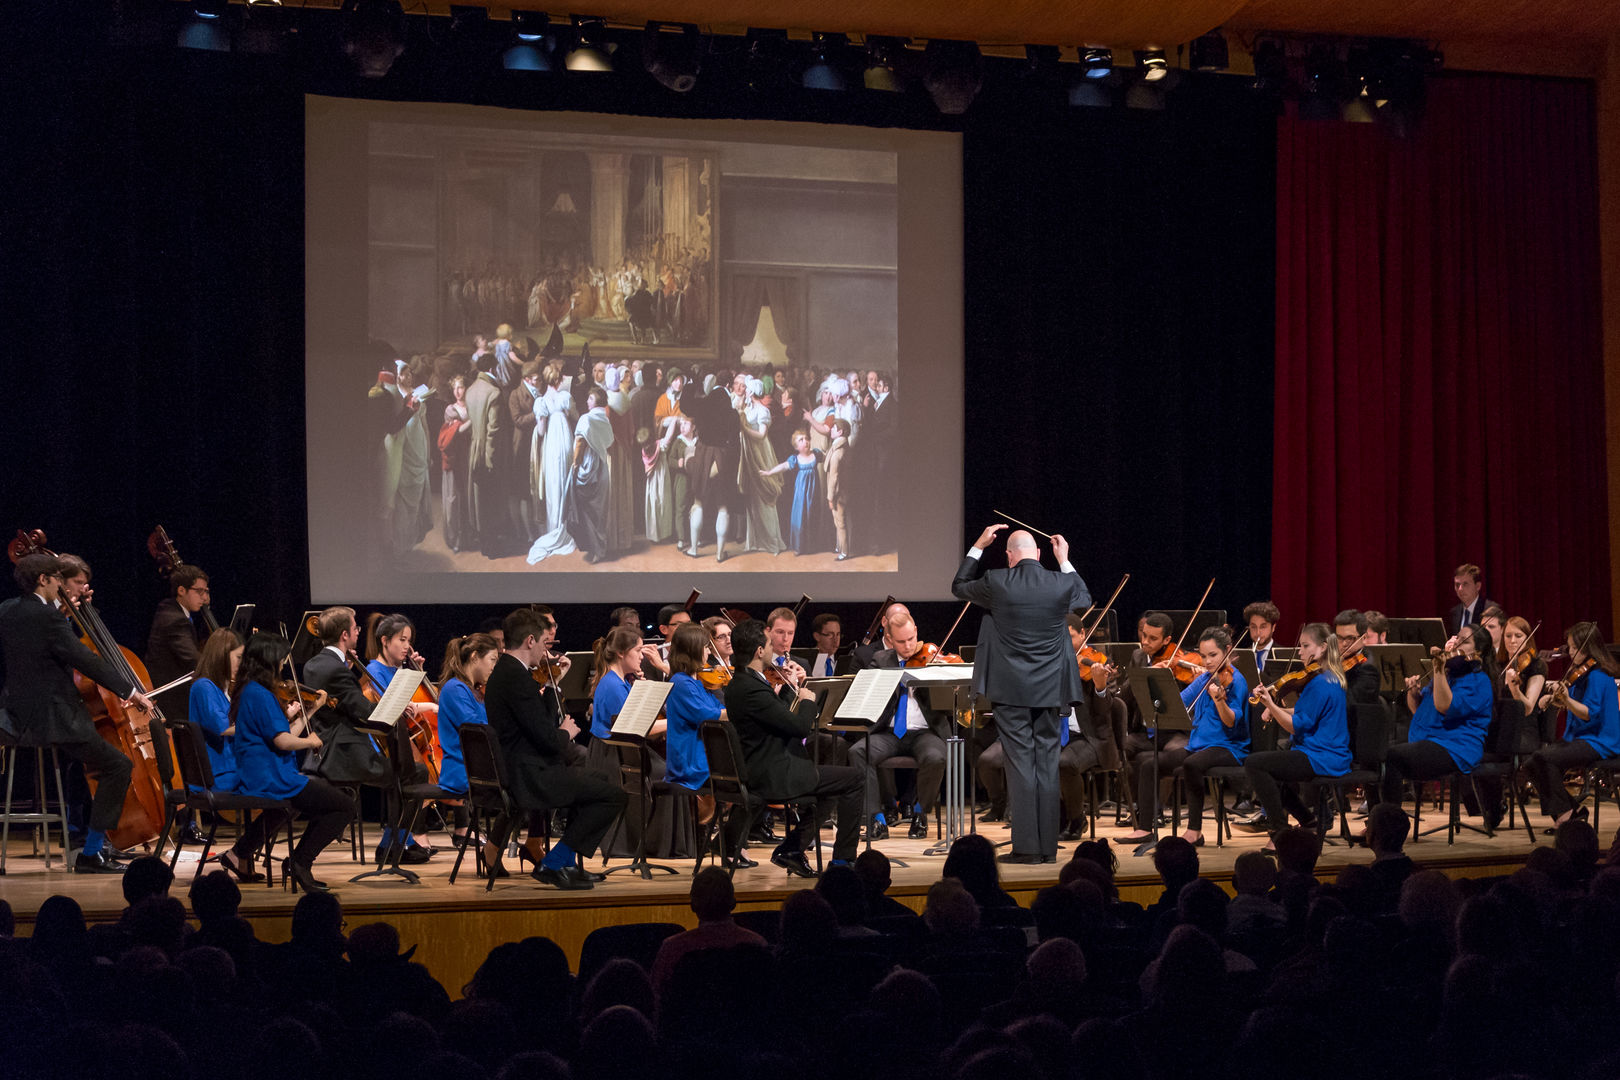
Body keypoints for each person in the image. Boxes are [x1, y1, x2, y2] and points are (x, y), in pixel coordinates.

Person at [0, 554, 152, 872]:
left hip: (15, 715)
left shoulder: (8, 610)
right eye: (57, 578)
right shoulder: (49, 618)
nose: (60, 583)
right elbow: (87, 660)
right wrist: (131, 691)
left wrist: (66, 611)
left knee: (93, 763)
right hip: (54, 719)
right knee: (118, 765)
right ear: (43, 580)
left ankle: (84, 835)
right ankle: (91, 852)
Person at [952, 523, 1091, 863]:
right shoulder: (1059, 581)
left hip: (1011, 690)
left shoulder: (997, 581)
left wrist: (977, 547)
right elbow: (1084, 599)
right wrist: (1066, 559)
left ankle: (1027, 848)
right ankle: (1046, 848)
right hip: (1050, 691)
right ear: (1040, 554)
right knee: (1046, 764)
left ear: (1009, 556)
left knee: (1019, 765)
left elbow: (958, 587)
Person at [483, 608, 627, 889]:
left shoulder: (509, 672)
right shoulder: (516, 678)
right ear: (529, 641)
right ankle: (556, 860)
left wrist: (551, 684)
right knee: (613, 796)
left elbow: (538, 722)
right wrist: (566, 733)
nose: (543, 652)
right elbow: (547, 738)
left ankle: (568, 862)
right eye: (542, 643)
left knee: (598, 780)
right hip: (529, 776)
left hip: (526, 767)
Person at [723, 619, 863, 876]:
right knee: (855, 778)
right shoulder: (752, 689)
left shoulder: (743, 682)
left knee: (834, 785)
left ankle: (793, 848)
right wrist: (808, 699)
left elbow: (778, 717)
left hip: (764, 766)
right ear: (759, 651)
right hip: (773, 774)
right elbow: (798, 727)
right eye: (768, 644)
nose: (772, 648)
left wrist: (791, 690)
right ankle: (843, 860)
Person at [224, 633, 355, 894]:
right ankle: (300, 862)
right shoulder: (260, 694)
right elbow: (283, 742)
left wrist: (311, 711)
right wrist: (311, 742)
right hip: (269, 776)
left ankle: (239, 852)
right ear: (270, 658)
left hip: (266, 771)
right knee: (344, 806)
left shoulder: (253, 690)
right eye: (282, 657)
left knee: (293, 808)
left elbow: (282, 735)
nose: (285, 663)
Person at [301, 606, 416, 864]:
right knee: (413, 774)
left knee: (403, 771)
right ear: (344, 635)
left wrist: (348, 666)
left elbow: (342, 703)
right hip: (343, 754)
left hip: (324, 750)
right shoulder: (336, 670)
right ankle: (392, 847)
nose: (358, 632)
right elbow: (363, 712)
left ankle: (394, 844)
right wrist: (395, 707)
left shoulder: (315, 664)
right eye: (355, 628)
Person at [1122, 626, 1250, 846]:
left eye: (1213, 655)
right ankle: (1145, 828)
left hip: (1228, 747)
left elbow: (1230, 721)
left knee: (1191, 764)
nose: (1207, 661)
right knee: (1149, 764)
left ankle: (1194, 831)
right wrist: (1159, 682)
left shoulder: (1236, 681)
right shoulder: (1205, 678)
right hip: (1199, 746)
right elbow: (1175, 703)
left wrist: (1219, 700)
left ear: (1227, 651)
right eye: (1203, 656)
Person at [1243, 624, 1351, 847]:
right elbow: (1306, 713)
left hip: (1322, 756)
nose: (1300, 651)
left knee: (1255, 764)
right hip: (1326, 753)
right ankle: (1308, 822)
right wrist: (1275, 708)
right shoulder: (1330, 677)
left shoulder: (1320, 683)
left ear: (1322, 648)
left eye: (1305, 646)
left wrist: (1271, 705)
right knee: (1274, 777)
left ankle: (1280, 832)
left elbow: (1295, 726)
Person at [850, 611, 953, 841]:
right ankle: (877, 819)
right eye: (900, 641)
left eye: (910, 639)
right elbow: (873, 698)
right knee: (858, 752)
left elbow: (946, 704)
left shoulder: (931, 660)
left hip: (925, 732)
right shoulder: (881, 660)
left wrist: (937, 674)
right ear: (890, 639)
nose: (907, 646)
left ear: (916, 631)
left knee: (936, 757)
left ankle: (920, 812)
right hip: (890, 733)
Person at [1378, 623, 1495, 810]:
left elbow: (1443, 706)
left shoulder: (1479, 681)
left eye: (1464, 641)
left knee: (1392, 756)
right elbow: (1418, 710)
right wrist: (1413, 693)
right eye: (1456, 637)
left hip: (1456, 748)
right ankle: (1380, 820)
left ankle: (1387, 821)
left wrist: (1438, 669)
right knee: (1380, 755)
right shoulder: (1448, 675)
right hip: (1431, 742)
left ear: (1478, 650)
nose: (1456, 642)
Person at [661, 624, 751, 866]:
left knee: (755, 780)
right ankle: (726, 843)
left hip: (704, 757)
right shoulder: (681, 682)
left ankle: (727, 843)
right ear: (692, 649)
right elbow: (706, 714)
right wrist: (740, 710)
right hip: (691, 762)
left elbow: (716, 707)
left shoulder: (695, 681)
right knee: (753, 784)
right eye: (704, 648)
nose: (708, 653)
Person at [145, 561, 214, 845]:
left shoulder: (177, 613)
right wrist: (222, 665)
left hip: (180, 698)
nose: (205, 597)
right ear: (182, 590)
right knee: (185, 761)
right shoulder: (173, 618)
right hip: (173, 702)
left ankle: (188, 822)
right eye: (199, 591)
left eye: (207, 591)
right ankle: (185, 823)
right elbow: (192, 660)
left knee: (188, 761)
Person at [1526, 623, 1620, 828]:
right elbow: (1574, 703)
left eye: (1574, 648)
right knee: (1532, 763)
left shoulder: (1598, 675)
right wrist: (1552, 699)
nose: (1570, 652)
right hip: (1582, 737)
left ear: (1588, 648)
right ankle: (1571, 813)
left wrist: (1566, 700)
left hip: (1600, 740)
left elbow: (1588, 713)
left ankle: (1567, 816)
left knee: (1544, 758)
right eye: (1569, 647)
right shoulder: (1582, 674)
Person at [648, 867, 767, 994]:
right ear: (733, 903)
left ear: (692, 906)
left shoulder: (674, 948)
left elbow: (655, 996)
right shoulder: (756, 944)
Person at [434, 632, 499, 848]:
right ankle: (497, 846)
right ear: (474, 657)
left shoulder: (474, 690)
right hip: (462, 770)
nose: (494, 666)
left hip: (477, 766)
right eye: (492, 660)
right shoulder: (455, 688)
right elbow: (479, 729)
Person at [188, 627, 244, 796]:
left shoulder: (224, 689)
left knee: (288, 779)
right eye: (238, 658)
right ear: (222, 655)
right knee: (287, 784)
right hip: (220, 775)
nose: (241, 664)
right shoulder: (203, 687)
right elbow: (223, 727)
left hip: (233, 768)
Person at [758, 428, 827, 554]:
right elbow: (784, 466)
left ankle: (811, 546)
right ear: (796, 446)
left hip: (814, 492)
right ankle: (798, 546)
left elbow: (828, 458)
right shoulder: (795, 458)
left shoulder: (816, 454)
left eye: (806, 439)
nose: (805, 442)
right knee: (800, 515)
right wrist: (769, 472)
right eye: (801, 440)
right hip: (801, 491)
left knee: (812, 514)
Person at [439, 373, 472, 553]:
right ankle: (455, 538)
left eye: (460, 387)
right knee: (454, 497)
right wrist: (475, 418)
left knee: (468, 495)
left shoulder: (471, 404)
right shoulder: (450, 409)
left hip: (469, 454)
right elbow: (458, 431)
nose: (457, 392)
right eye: (454, 388)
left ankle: (468, 535)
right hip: (455, 456)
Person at [1332, 609, 1382, 705]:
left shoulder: (1368, 669)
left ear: (1363, 638)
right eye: (1339, 637)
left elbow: (1349, 705)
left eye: (1350, 638)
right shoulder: (1336, 658)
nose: (1343, 643)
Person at [824, 417, 852, 560]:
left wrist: (830, 498)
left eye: (834, 428)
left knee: (840, 522)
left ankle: (844, 552)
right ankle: (839, 546)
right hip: (840, 492)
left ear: (840, 431)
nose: (831, 430)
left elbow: (834, 478)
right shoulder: (839, 447)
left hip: (838, 494)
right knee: (838, 521)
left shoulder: (838, 452)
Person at [1446, 563, 1495, 636]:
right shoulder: (1454, 613)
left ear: (1478, 586)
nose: (1460, 589)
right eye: (1457, 585)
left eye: (1465, 584)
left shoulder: (1490, 610)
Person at [1244, 602, 1280, 672]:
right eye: (1253, 627)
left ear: (1273, 628)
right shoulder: (1242, 656)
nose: (1258, 632)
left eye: (1263, 627)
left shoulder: (1284, 655)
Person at [808, 613, 842, 679]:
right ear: (817, 636)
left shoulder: (843, 661)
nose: (835, 640)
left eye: (838, 634)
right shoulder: (807, 661)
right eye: (830, 635)